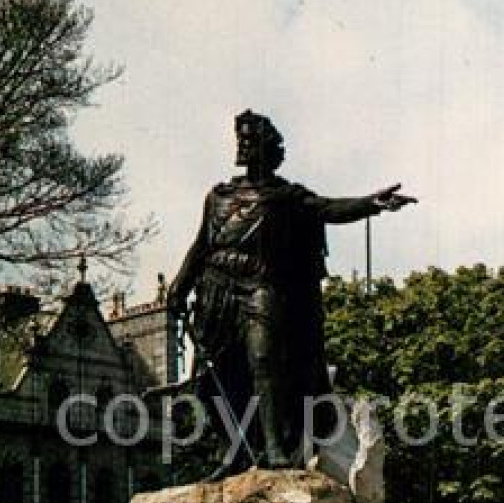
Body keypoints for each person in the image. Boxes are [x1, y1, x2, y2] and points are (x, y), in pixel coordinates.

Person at [167, 110, 414, 478]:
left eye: (251, 141)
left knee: (265, 362)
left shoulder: (287, 197)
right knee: (218, 378)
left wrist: (370, 204)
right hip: (216, 293)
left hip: (259, 288)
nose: (243, 146)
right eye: (241, 140)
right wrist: (178, 286)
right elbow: (201, 245)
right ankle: (233, 453)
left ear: (269, 149)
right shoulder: (218, 196)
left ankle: (275, 448)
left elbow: (330, 209)